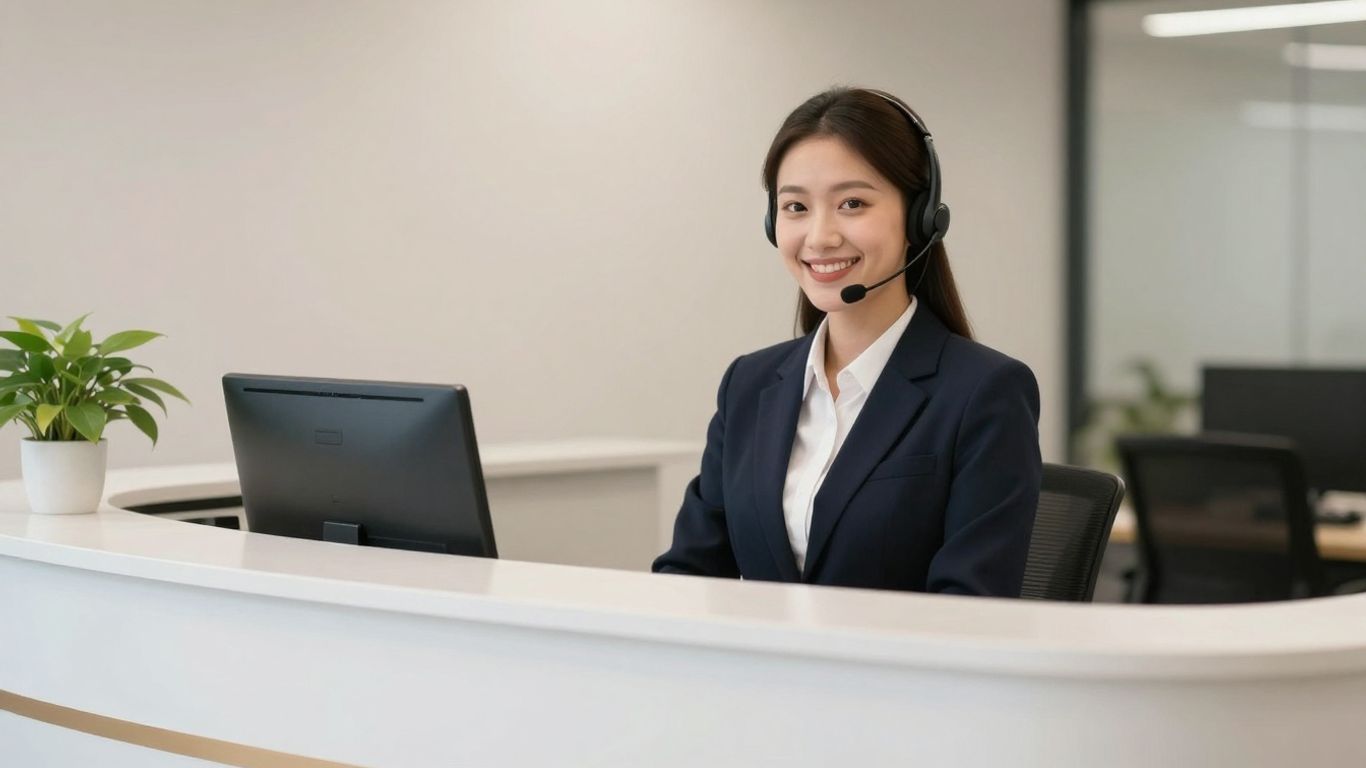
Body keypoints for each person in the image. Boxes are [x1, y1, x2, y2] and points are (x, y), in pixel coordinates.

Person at [651, 87, 1042, 596]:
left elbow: (972, 608)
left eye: (852, 203)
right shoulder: (748, 385)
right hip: (760, 675)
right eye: (795, 207)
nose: (820, 236)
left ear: (919, 216)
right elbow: (689, 576)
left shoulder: (985, 393)